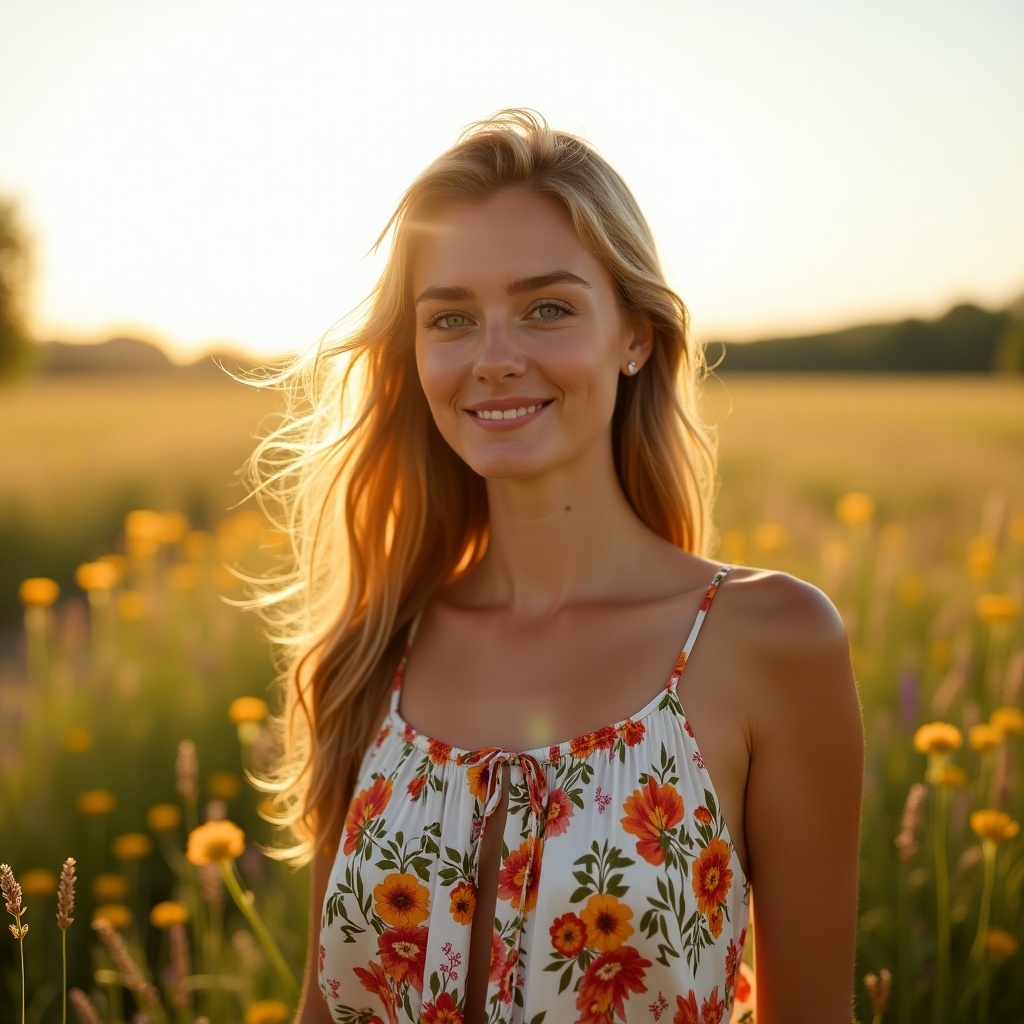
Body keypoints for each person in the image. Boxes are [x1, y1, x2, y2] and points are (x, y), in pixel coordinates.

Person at [254, 110, 863, 1024]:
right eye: (451, 318)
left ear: (635, 337)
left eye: (547, 308)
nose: (494, 359)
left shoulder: (767, 642)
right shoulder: (376, 650)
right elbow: (321, 1009)